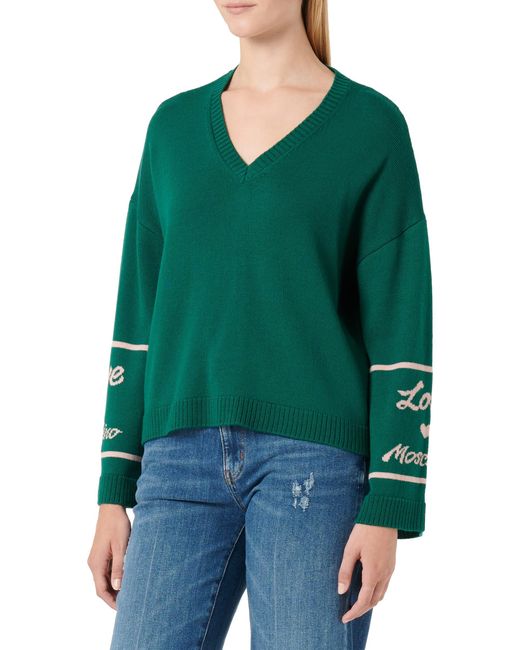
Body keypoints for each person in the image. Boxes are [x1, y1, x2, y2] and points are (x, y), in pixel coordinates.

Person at [87, 1, 433, 648]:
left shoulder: (371, 127)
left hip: (315, 468)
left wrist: (391, 500)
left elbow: (400, 326)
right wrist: (114, 488)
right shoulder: (172, 129)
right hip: (175, 466)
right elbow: (138, 313)